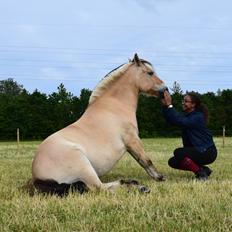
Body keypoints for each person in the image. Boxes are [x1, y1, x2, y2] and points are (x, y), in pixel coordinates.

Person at [161, 90, 217, 180]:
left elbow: (179, 120)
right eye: (183, 101)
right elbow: (173, 120)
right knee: (173, 161)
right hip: (199, 150)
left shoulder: (197, 117)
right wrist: (165, 107)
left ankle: (200, 173)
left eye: (186, 101)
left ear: (193, 104)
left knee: (178, 152)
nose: (183, 103)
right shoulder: (188, 116)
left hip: (207, 152)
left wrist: (169, 106)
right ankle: (203, 169)